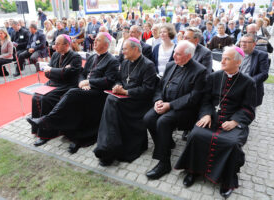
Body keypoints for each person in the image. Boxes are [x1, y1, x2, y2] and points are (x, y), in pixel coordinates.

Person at [175, 46, 256, 199]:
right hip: (212, 118)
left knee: (231, 144)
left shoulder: (248, 82)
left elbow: (249, 108)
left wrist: (235, 121)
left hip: (232, 123)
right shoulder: (214, 77)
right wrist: (205, 114)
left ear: (238, 62)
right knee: (196, 135)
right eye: (222, 57)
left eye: (227, 59)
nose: (222, 61)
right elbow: (205, 100)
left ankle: (227, 180)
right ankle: (193, 170)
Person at [26, 33, 118, 152]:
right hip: (84, 89)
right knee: (69, 96)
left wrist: (88, 82)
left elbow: (109, 80)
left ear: (106, 44)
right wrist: (81, 82)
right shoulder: (92, 57)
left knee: (72, 93)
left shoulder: (112, 60)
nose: (94, 42)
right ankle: (59, 128)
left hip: (98, 93)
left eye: (98, 40)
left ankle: (48, 120)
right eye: (95, 40)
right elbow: (82, 73)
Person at [144, 40, 207, 179]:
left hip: (185, 110)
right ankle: (166, 142)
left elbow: (193, 98)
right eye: (174, 53)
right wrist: (158, 100)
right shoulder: (171, 65)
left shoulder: (200, 71)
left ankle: (164, 163)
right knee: (148, 119)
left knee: (163, 122)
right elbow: (160, 87)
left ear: (188, 56)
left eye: (178, 54)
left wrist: (170, 105)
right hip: (165, 103)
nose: (174, 56)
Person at [93, 38, 157, 166]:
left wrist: (127, 92)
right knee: (111, 99)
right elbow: (119, 79)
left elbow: (148, 90)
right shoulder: (126, 62)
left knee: (111, 101)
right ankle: (108, 146)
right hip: (122, 98)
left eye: (125, 49)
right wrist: (117, 87)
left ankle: (106, 147)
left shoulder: (148, 65)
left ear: (135, 49)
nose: (122, 52)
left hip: (138, 102)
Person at [26, 34, 82, 146]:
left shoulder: (75, 57)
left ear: (66, 45)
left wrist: (54, 71)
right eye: (55, 42)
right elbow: (48, 73)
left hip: (67, 85)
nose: (54, 45)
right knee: (36, 96)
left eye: (57, 43)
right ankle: (37, 127)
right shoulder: (56, 54)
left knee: (46, 98)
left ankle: (46, 133)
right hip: (54, 83)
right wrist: (58, 71)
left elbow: (67, 75)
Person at [240, 34, 269, 107]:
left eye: (247, 42)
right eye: (242, 41)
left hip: (251, 90)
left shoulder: (261, 55)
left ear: (254, 44)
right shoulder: (236, 53)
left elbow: (264, 74)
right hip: (236, 89)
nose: (243, 44)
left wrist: (248, 82)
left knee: (248, 115)